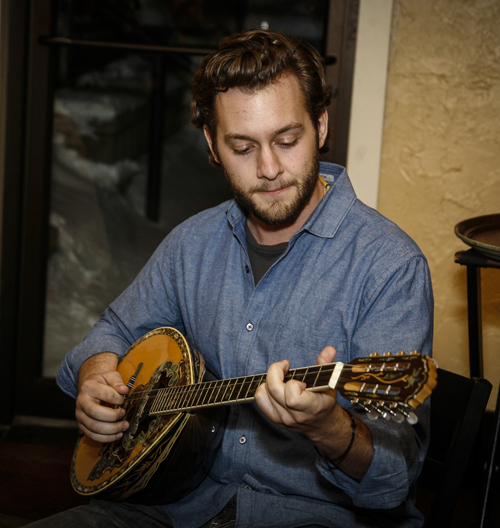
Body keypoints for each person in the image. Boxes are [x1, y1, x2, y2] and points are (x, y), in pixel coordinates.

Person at [42, 29, 433, 528]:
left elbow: (394, 478)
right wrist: (98, 372)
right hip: (173, 501)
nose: (269, 169)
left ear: (321, 124)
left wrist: (330, 427)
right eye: (243, 147)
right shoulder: (192, 243)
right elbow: (116, 328)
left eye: (287, 140)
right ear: (212, 144)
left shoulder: (389, 265)